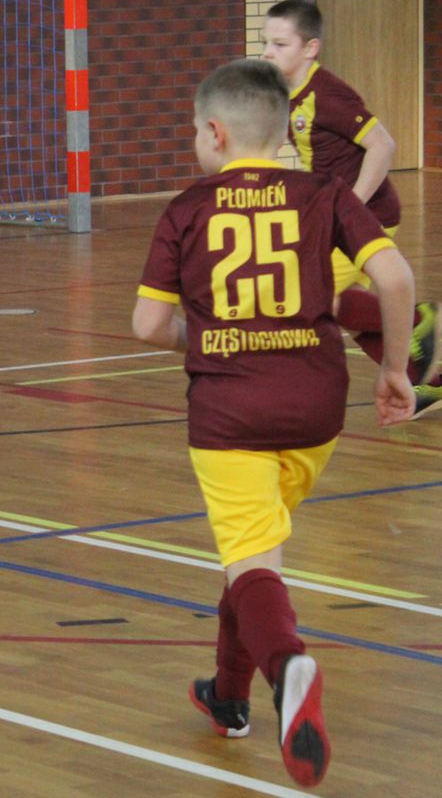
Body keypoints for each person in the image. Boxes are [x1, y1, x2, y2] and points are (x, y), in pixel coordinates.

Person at [132, 59, 416, 788]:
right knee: (250, 559)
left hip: (230, 413)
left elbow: (148, 325)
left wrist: (200, 339)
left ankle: (289, 667)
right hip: (315, 408)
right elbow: (394, 278)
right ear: (283, 131)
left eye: (196, 131)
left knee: (254, 564)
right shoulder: (324, 193)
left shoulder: (186, 210)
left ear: (216, 132)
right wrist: (394, 370)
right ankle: (228, 698)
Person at [260, 0, 442, 415]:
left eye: (280, 44)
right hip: (341, 213)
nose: (268, 52)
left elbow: (383, 145)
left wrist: (350, 206)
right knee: (348, 306)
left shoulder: (327, 95)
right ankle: (425, 384)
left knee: (317, 296)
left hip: (369, 213)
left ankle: (420, 322)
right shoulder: (289, 93)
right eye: (265, 42)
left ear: (311, 48)